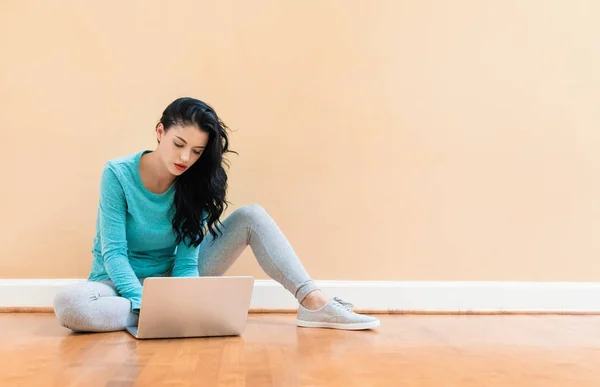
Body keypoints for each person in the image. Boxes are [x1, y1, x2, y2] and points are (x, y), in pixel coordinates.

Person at [53, 97, 380, 332]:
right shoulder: (117, 174)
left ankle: (315, 303)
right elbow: (113, 252)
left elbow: (185, 263)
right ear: (159, 131)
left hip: (173, 281)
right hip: (116, 284)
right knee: (71, 303)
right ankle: (157, 315)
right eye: (179, 144)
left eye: (196, 151)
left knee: (251, 215)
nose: (185, 158)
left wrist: (183, 298)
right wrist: (146, 302)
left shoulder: (198, 184)